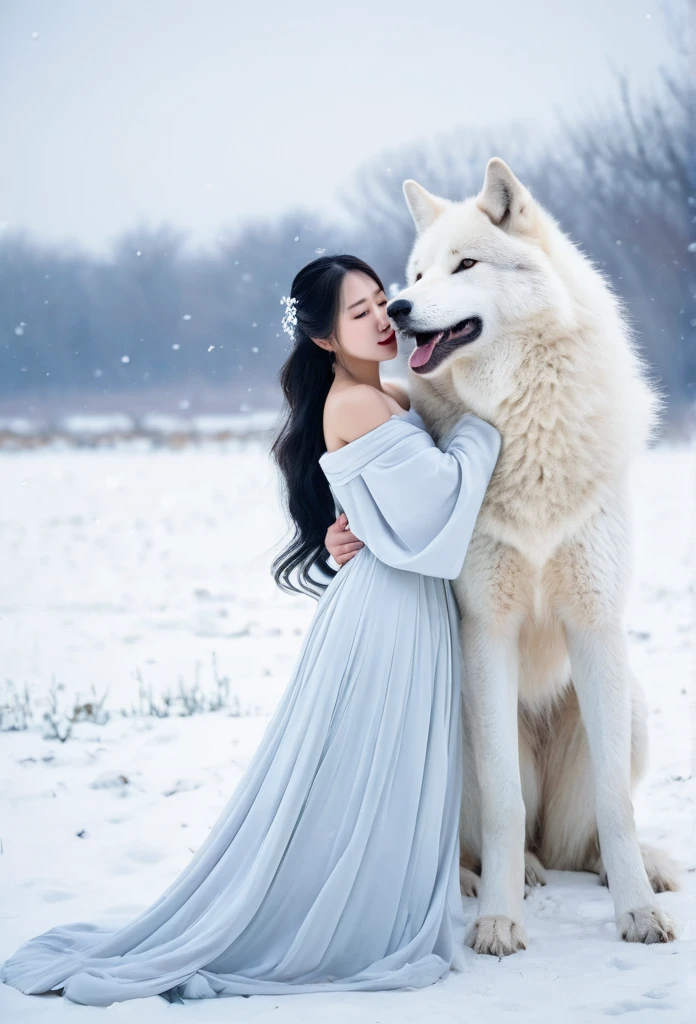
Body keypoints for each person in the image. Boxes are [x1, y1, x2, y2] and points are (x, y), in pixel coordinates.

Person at [0, 254, 501, 1006]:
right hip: (385, 618)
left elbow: (389, 507)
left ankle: (367, 888)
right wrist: (479, 434)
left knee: (383, 770)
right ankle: (337, 912)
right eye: (357, 312)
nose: (380, 318)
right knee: (360, 771)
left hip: (401, 604)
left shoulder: (388, 394)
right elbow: (437, 509)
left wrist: (353, 522)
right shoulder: (356, 403)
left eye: (379, 301)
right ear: (326, 339)